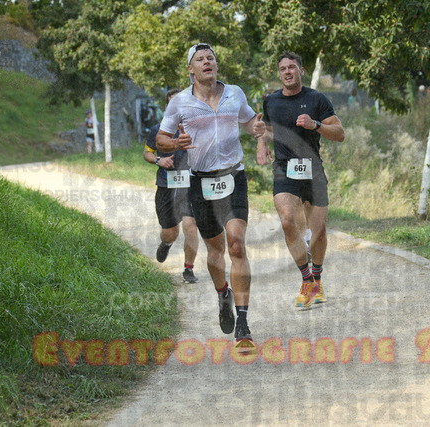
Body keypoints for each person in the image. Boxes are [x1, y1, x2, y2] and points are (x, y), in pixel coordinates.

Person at [156, 43, 266, 344]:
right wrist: (175, 144)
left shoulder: (235, 93)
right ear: (190, 69)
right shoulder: (180, 102)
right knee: (215, 252)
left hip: (233, 176)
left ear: (216, 65)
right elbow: (161, 138)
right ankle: (222, 294)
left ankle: (243, 321)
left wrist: (257, 131)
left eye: (211, 58)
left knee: (237, 246)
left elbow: (250, 121)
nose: (207, 62)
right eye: (200, 59)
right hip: (200, 182)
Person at [257, 51, 345, 307]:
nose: (287, 71)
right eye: (283, 68)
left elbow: (339, 133)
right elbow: (268, 130)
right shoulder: (271, 101)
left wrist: (315, 124)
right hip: (284, 168)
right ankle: (307, 280)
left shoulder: (317, 98)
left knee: (318, 231)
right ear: (279, 73)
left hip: (313, 170)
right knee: (287, 221)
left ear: (301, 71)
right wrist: (262, 143)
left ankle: (317, 279)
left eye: (291, 67)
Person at [144, 88, 200, 284]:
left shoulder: (195, 128)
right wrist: (158, 160)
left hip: (190, 185)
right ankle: (166, 243)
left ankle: (188, 269)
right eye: (172, 103)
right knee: (170, 232)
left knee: (191, 225)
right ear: (167, 106)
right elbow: (147, 153)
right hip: (166, 185)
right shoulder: (157, 130)